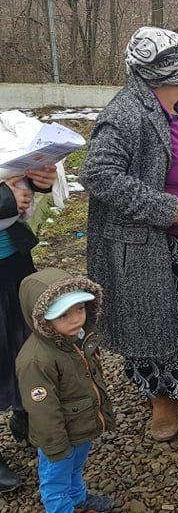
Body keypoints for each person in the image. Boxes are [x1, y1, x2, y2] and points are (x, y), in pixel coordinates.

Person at [82, 26, 178, 444]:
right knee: (162, 325)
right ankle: (162, 401)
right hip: (163, 246)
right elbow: (98, 173)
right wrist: (162, 208)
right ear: (173, 74)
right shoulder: (127, 113)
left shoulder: (176, 107)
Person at [16, 268, 115, 512]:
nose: (75, 319)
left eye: (80, 308)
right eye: (63, 315)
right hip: (59, 438)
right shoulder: (36, 360)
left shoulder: (77, 338)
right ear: (41, 319)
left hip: (81, 427)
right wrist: (56, 446)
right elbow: (42, 411)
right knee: (55, 483)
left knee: (75, 469)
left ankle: (78, 499)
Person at [0, 163, 57, 493]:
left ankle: (26, 413)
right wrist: (5, 198)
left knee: (26, 343)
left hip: (13, 261)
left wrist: (36, 181)